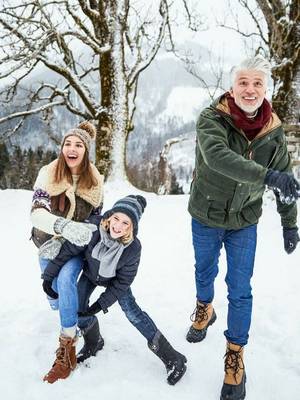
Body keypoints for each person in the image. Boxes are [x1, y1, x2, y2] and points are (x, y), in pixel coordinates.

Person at [186, 55, 299, 400]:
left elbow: (286, 182)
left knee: (240, 288)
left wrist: (289, 224)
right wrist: (267, 176)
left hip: (244, 220)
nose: (250, 90)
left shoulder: (273, 132)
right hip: (206, 213)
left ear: (266, 89)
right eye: (243, 83)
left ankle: (235, 354)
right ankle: (205, 307)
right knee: (204, 272)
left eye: (257, 84)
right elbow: (218, 158)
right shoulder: (211, 119)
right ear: (232, 87)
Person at [42, 195, 187, 385]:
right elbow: (69, 250)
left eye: (125, 223)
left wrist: (100, 305)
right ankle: (94, 343)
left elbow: (122, 283)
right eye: (116, 218)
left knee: (133, 313)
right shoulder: (93, 228)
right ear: (109, 216)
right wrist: (48, 277)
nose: (117, 226)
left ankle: (172, 358)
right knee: (78, 306)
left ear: (132, 227)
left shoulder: (133, 249)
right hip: (91, 274)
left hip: (114, 281)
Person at [30, 121, 104, 382]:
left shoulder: (95, 180)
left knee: (65, 281)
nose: (72, 149)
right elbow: (36, 213)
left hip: (74, 248)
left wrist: (86, 230)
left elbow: (97, 216)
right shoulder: (48, 173)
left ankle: (66, 348)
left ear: (86, 151)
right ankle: (88, 328)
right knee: (57, 302)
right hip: (47, 245)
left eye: (79, 145)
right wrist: (62, 224)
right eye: (68, 144)